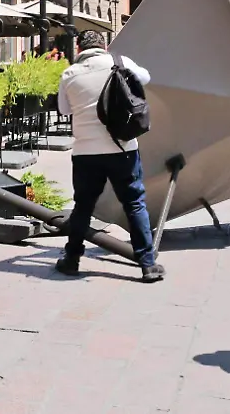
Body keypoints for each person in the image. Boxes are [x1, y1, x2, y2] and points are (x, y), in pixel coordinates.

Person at [53, 30, 165, 283]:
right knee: (134, 203)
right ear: (103, 46)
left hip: (85, 153)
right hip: (122, 148)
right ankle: (147, 264)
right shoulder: (120, 63)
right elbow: (146, 78)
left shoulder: (70, 74)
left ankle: (72, 260)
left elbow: (63, 110)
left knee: (83, 206)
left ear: (79, 48)